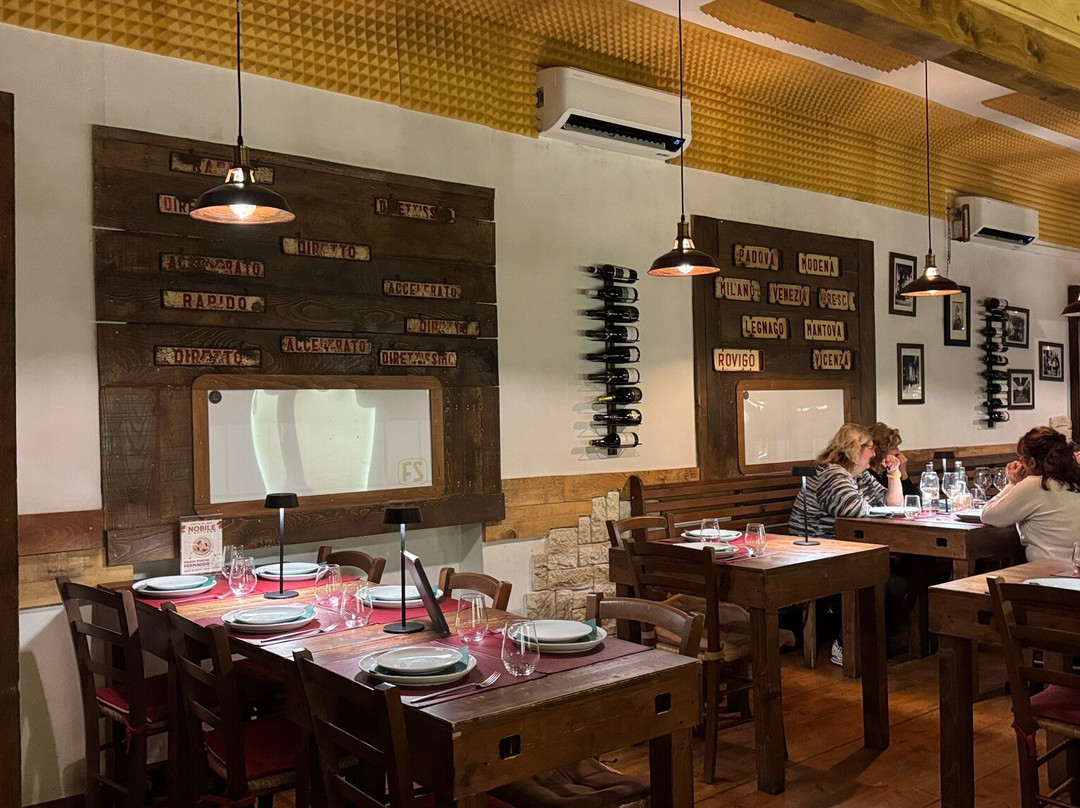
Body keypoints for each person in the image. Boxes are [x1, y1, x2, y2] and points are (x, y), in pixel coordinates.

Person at [789, 423, 903, 666]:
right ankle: (846, 643)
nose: (874, 453)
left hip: (844, 549)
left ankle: (869, 641)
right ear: (854, 449)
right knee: (878, 578)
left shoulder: (858, 475)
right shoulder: (832, 474)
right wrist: (875, 508)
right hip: (815, 553)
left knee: (907, 575)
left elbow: (893, 504)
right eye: (870, 448)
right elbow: (854, 512)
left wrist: (894, 474)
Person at [981, 426, 1080, 560]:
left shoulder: (1036, 484)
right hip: (1073, 568)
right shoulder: (1074, 481)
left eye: (1021, 460)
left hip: (1049, 569)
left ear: (1032, 462)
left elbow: (989, 515)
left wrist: (1012, 483)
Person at [867, 422, 920, 498]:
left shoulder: (888, 469)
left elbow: (914, 499)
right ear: (880, 451)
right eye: (893, 448)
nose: (898, 452)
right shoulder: (866, 474)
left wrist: (903, 473)